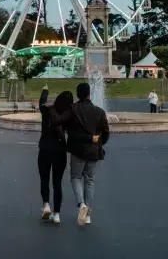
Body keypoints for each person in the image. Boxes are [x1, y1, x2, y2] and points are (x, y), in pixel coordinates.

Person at [67, 82, 110, 226]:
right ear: (89, 94)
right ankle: (88, 214)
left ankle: (81, 204)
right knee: (90, 180)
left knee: (75, 176)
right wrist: (99, 143)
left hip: (78, 150)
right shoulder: (100, 111)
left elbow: (70, 131)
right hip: (93, 150)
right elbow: (106, 132)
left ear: (77, 94)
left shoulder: (73, 109)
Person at [38, 86, 74, 224]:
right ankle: (57, 214)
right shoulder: (67, 115)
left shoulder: (47, 111)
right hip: (60, 150)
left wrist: (45, 90)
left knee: (44, 179)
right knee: (57, 183)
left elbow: (41, 101)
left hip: (45, 148)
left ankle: (46, 205)